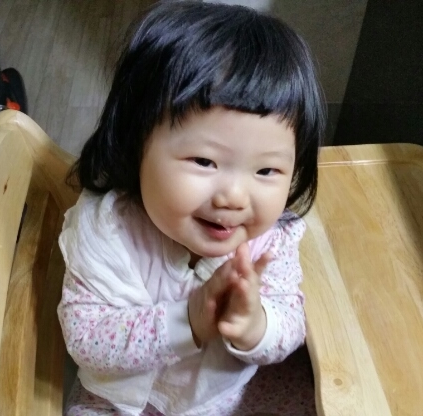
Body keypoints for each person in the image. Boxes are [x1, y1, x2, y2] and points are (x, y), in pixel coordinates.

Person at [57, 1, 325, 415]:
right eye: (204, 161)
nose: (234, 197)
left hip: (224, 394)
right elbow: (86, 338)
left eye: (266, 170)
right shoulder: (108, 229)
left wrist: (256, 325)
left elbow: (289, 322)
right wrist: (189, 321)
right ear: (136, 142)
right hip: (124, 400)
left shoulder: (271, 240)